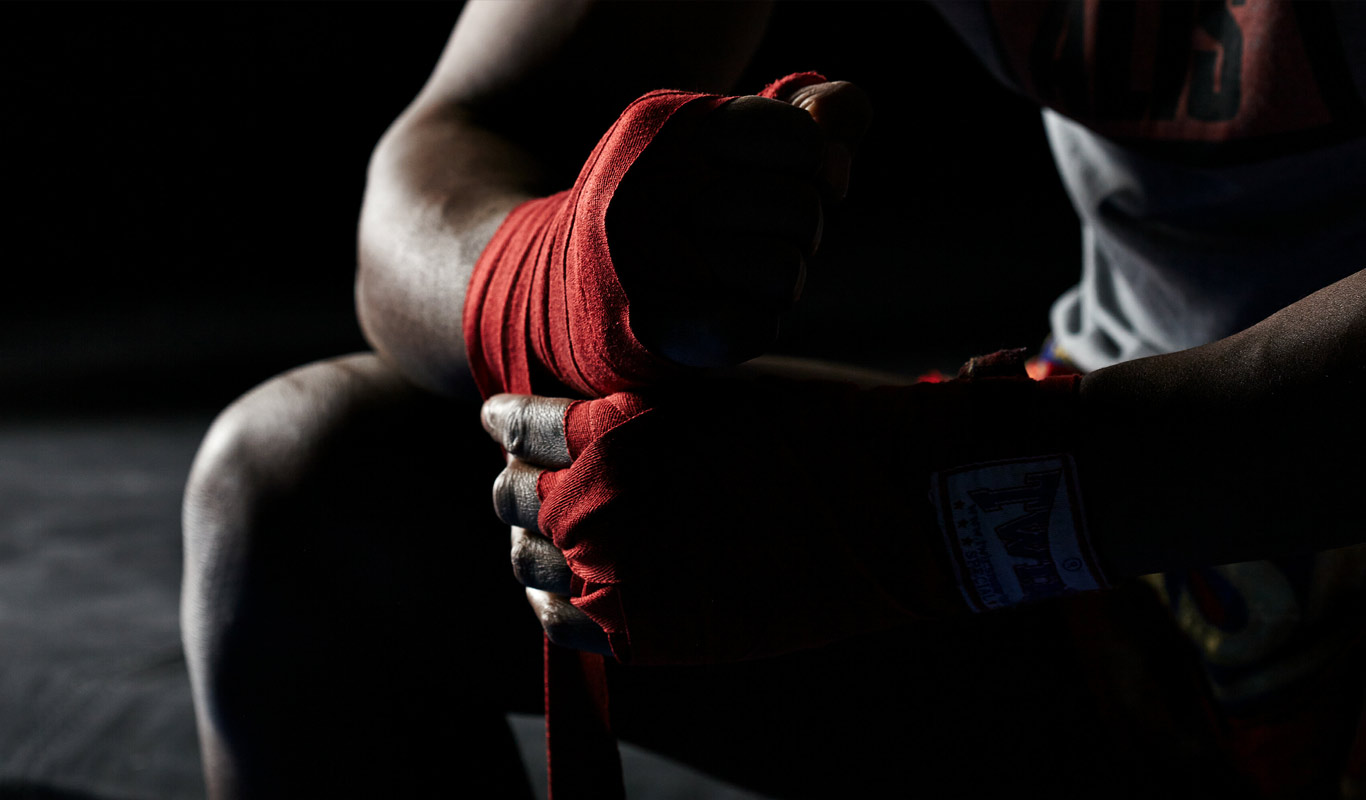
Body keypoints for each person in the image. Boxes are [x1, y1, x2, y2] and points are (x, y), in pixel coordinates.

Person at [181, 2, 1366, 797]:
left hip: (1237, 470)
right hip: (1138, 583)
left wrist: (932, 507)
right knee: (304, 493)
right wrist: (572, 273)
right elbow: (449, 155)